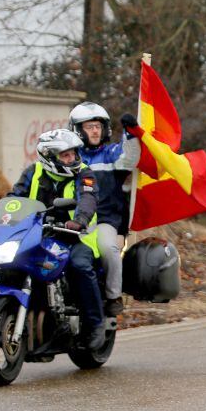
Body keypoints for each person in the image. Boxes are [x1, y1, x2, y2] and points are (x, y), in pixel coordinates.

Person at [11, 129, 105, 349]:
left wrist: (80, 220)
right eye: (65, 155)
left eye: (73, 153)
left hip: (77, 237)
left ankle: (95, 324)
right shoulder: (33, 173)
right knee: (12, 263)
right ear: (49, 157)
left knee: (79, 266)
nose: (72, 158)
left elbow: (88, 198)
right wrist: (4, 215)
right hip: (39, 235)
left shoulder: (85, 174)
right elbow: (15, 197)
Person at [69, 102, 141, 320]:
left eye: (98, 126)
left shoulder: (111, 154)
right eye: (89, 126)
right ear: (77, 130)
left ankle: (113, 297)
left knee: (109, 249)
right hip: (71, 221)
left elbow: (130, 157)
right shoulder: (69, 157)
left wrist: (131, 133)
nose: (95, 130)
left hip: (104, 221)